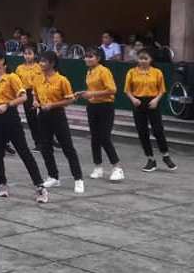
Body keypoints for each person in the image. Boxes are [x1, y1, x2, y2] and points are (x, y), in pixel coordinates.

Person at [0, 47, 49, 203]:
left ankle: (40, 186)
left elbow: (23, 97)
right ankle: (2, 183)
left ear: (2, 60)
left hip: (10, 117)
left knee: (24, 151)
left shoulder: (12, 77)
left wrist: (7, 105)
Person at [33, 51, 85, 194]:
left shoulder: (62, 80)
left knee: (67, 147)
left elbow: (70, 99)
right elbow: (35, 94)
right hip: (43, 115)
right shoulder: (37, 78)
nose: (41, 64)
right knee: (45, 147)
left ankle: (78, 178)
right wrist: (36, 101)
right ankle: (53, 176)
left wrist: (53, 105)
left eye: (44, 61)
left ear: (52, 63)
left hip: (57, 115)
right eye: (40, 61)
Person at [124, 49, 177, 172]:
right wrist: (133, 99)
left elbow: (162, 90)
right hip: (138, 102)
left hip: (153, 102)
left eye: (145, 59)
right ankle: (150, 159)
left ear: (151, 60)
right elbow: (127, 90)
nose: (143, 61)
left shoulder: (157, 72)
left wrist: (156, 100)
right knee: (142, 132)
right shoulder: (132, 72)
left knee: (158, 130)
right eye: (140, 58)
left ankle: (165, 155)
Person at [77, 47, 124, 181]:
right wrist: (84, 93)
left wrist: (92, 93)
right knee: (95, 138)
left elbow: (112, 90)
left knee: (104, 137)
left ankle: (117, 167)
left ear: (98, 58)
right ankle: (98, 167)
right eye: (86, 56)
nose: (87, 59)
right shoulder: (89, 71)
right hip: (92, 106)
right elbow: (92, 90)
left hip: (105, 106)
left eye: (91, 56)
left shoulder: (104, 71)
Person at [15, 45, 43, 151]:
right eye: (25, 54)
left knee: (44, 116)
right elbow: (16, 82)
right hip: (27, 93)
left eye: (30, 53)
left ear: (35, 55)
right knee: (31, 118)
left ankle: (48, 138)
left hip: (40, 92)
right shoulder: (19, 68)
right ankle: (38, 142)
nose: (27, 56)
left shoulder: (39, 67)